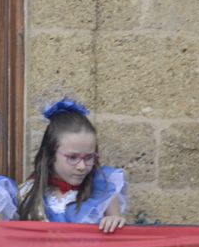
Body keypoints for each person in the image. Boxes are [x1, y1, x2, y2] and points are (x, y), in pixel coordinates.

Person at [16, 99, 128, 233]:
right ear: (51, 155)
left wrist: (114, 221)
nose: (82, 166)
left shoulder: (102, 190)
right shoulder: (27, 193)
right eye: (73, 157)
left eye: (89, 157)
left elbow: (116, 236)